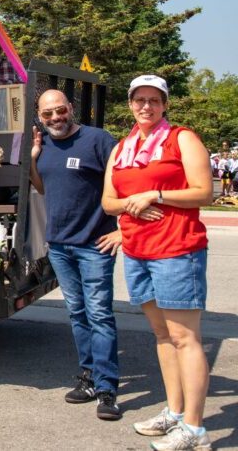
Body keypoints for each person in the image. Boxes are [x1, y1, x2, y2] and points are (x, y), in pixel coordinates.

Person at [102, 75, 213, 450]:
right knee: (163, 336)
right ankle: (175, 412)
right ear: (130, 104)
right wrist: (136, 203)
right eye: (139, 100)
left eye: (154, 100)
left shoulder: (182, 138)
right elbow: (109, 202)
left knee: (185, 338)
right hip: (137, 250)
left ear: (164, 104)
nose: (145, 106)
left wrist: (156, 194)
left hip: (178, 249)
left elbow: (204, 192)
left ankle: (195, 429)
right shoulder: (122, 149)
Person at [28, 89, 121, 421]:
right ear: (40, 117)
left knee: (99, 315)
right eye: (48, 114)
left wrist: (122, 230)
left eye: (60, 110)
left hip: (95, 245)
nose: (55, 118)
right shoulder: (45, 145)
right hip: (60, 246)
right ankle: (89, 377)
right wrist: (35, 156)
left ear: (71, 108)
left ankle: (108, 389)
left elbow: (127, 183)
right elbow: (42, 188)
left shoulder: (98, 139)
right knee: (78, 314)